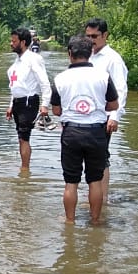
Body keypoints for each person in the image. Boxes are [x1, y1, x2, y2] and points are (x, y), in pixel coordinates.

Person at [50, 36, 119, 224]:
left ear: (70, 54)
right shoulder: (103, 76)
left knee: (71, 182)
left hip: (71, 133)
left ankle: (70, 221)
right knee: (95, 180)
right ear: (90, 54)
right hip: (96, 133)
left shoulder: (60, 78)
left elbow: (56, 110)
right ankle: (95, 221)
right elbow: (114, 105)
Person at [85, 18, 129, 206]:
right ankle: (96, 197)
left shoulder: (113, 60)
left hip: (104, 117)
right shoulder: (88, 56)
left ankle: (102, 199)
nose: (91, 40)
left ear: (105, 35)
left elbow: (120, 90)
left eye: (94, 36)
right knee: (90, 158)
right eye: (88, 36)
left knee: (101, 157)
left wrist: (114, 116)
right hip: (87, 116)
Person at [5, 28, 52, 170]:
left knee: (24, 137)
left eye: (14, 41)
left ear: (23, 42)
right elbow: (16, 85)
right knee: (21, 137)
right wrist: (11, 105)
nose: (11, 44)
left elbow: (44, 83)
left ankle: (25, 170)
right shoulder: (17, 61)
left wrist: (45, 105)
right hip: (18, 102)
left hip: (29, 102)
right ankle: (24, 167)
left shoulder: (33, 59)